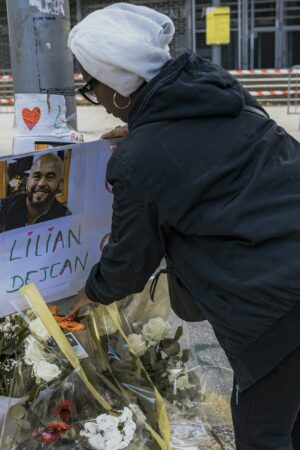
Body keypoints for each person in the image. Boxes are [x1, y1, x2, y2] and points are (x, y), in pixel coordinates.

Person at [68, 3, 300, 449]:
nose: (93, 99)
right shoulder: (215, 88)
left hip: (276, 304)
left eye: (91, 88)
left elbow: (130, 260)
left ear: (118, 87)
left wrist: (92, 291)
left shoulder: (139, 159)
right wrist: (143, 135)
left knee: (262, 431)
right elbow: (208, 149)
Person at [0, 153, 71, 231]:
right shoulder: (4, 207)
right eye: (37, 176)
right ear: (27, 181)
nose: (41, 184)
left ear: (60, 185)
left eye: (50, 178)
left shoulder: (65, 217)